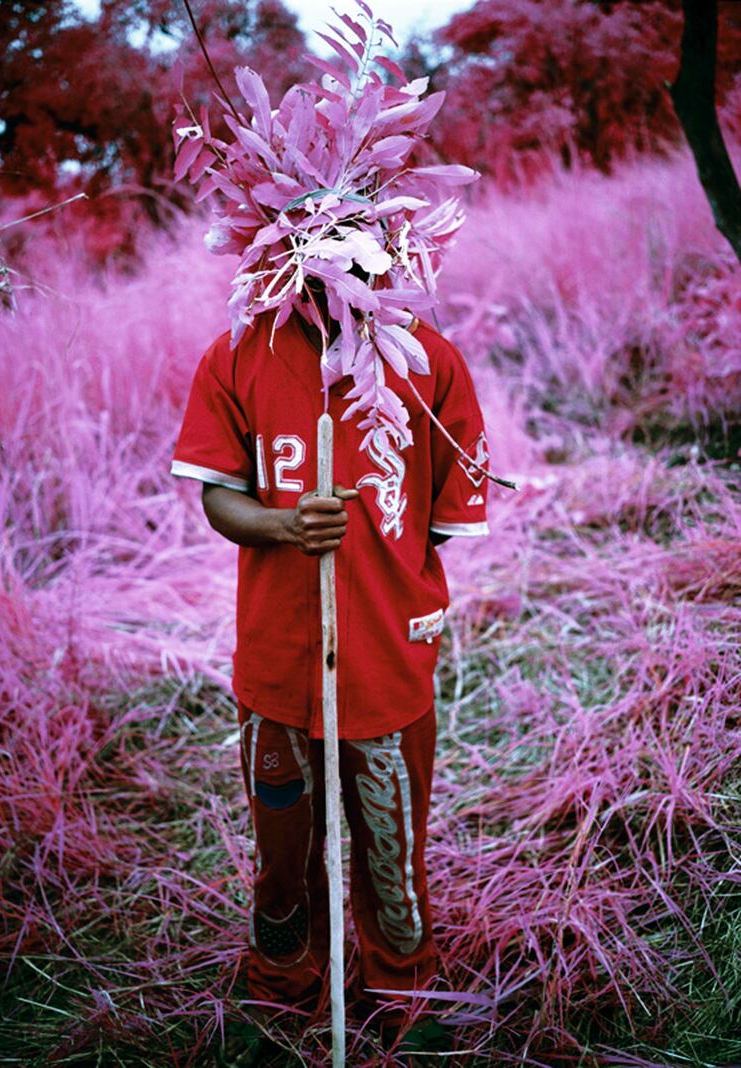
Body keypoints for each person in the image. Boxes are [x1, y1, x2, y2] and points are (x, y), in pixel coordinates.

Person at [170, 275, 490, 1064]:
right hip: (278, 663)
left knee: (391, 847)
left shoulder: (431, 362)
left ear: (392, 250)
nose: (335, 271)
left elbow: (441, 523)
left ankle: (405, 988)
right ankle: (283, 981)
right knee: (282, 854)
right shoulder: (238, 356)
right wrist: (284, 523)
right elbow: (218, 497)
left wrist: (377, 576)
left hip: (388, 663)